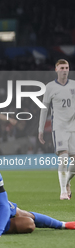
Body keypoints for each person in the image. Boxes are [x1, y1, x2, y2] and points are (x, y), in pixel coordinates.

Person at [38, 59, 75, 200]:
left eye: (67, 67)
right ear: (56, 69)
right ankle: (63, 192)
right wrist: (40, 129)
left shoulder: (74, 85)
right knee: (64, 158)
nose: (64, 70)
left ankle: (66, 182)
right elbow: (44, 109)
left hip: (73, 127)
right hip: (59, 127)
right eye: (62, 68)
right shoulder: (50, 87)